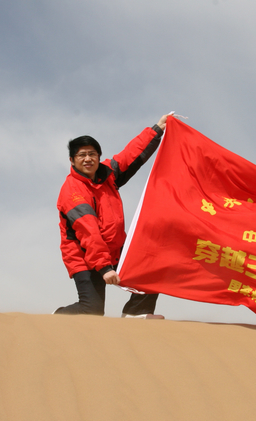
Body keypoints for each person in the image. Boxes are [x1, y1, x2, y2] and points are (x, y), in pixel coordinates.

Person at [54, 114, 169, 318]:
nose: (88, 159)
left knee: (153, 267)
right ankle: (58, 316)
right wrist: (105, 267)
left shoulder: (108, 174)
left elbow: (131, 154)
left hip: (115, 248)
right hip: (84, 256)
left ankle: (136, 313)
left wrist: (157, 129)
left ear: (98, 156)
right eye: (81, 155)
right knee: (92, 311)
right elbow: (89, 233)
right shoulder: (73, 192)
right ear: (72, 160)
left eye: (92, 154)